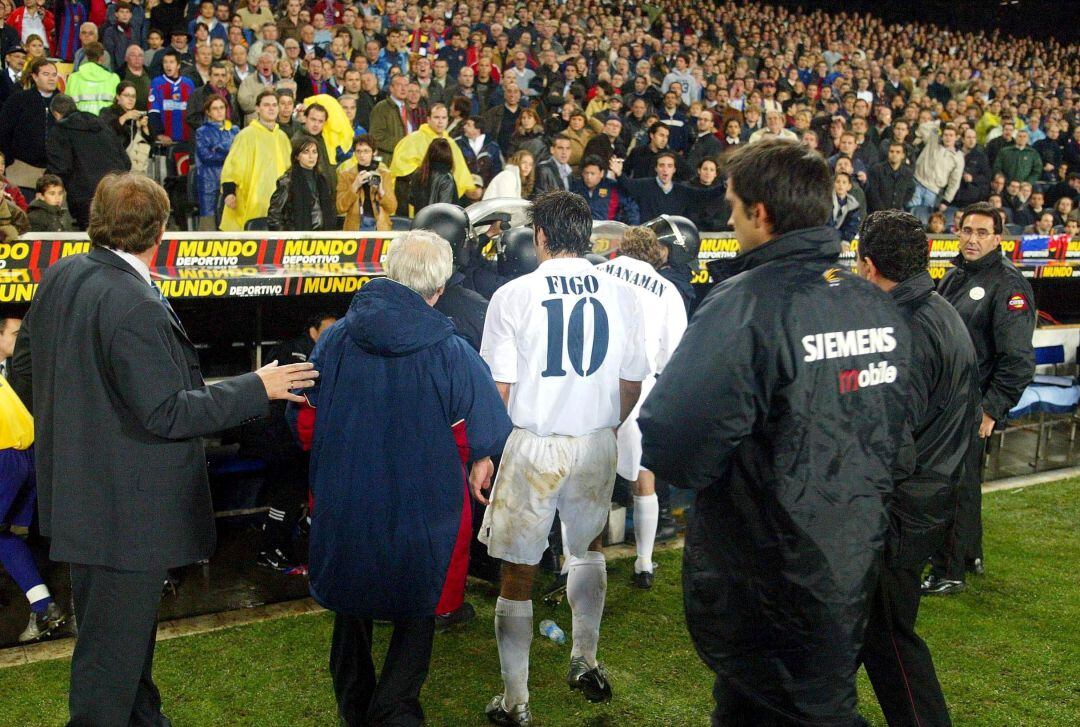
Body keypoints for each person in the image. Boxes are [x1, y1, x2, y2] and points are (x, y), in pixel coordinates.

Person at [10, 172, 317, 726]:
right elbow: (169, 411)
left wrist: (83, 427)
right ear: (161, 229)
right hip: (126, 516)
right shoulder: (133, 301)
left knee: (123, 658)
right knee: (108, 671)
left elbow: (26, 370)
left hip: (85, 505)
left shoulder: (60, 275)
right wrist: (257, 386)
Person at [639, 139, 911, 726]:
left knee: (803, 709)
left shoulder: (747, 303)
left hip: (770, 564)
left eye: (734, 208)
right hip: (852, 548)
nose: (729, 222)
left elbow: (672, 441)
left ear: (761, 214)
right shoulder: (874, 303)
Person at [306, 229, 511, 726]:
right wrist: (482, 457)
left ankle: (357, 709)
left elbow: (307, 416)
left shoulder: (334, 338)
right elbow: (489, 423)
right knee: (415, 608)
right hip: (421, 499)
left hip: (348, 492)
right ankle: (395, 711)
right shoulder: (450, 350)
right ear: (438, 289)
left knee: (350, 611)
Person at [478, 190, 649, 725]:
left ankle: (516, 701)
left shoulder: (513, 295)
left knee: (518, 569)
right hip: (596, 439)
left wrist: (486, 451)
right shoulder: (623, 295)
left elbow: (498, 389)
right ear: (588, 237)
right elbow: (631, 382)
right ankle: (585, 659)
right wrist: (604, 428)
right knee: (589, 549)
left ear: (542, 238)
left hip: (535, 442)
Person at [855, 209, 979, 727]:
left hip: (900, 512)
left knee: (887, 641)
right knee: (867, 638)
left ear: (866, 265)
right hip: (925, 502)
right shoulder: (939, 310)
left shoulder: (901, 329)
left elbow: (893, 444)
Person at [923, 202, 1036, 596]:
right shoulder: (954, 276)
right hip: (946, 404)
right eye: (967, 230)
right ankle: (969, 555)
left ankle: (947, 571)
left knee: (951, 487)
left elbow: (1018, 360)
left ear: (998, 238)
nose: (972, 239)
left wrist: (991, 409)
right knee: (964, 485)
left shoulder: (1009, 285)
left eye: (982, 232)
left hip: (972, 406)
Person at [596, 227, 686, 589]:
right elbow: (672, 354)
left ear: (622, 248)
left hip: (595, 382)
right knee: (642, 477)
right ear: (656, 254)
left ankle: (579, 562)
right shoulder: (666, 290)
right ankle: (644, 564)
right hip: (640, 384)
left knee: (590, 478)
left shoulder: (597, 272)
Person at [0, 316, 67, 643]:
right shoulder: (6, 373)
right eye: (15, 334)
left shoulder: (12, 371)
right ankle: (43, 606)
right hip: (24, 458)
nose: (21, 340)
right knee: (7, 535)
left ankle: (44, 607)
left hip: (11, 458)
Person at [46, 93, 131, 228]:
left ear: (56, 114)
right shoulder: (102, 126)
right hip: (116, 191)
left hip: (85, 199)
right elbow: (126, 162)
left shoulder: (60, 131)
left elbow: (61, 167)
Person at [219, 88, 291, 230]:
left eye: (274, 105)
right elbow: (233, 166)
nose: (271, 109)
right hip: (251, 199)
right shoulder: (246, 135)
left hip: (277, 203)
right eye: (266, 105)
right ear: (257, 108)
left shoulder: (282, 137)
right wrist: (229, 193)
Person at [0, 57, 58, 195]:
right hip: (21, 170)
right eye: (46, 74)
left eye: (54, 75)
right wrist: (9, 161)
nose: (51, 78)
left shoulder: (63, 102)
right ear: (35, 77)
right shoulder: (18, 100)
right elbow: (4, 132)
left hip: (54, 174)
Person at [267, 135, 338, 231]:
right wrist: (286, 238)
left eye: (314, 152)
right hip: (296, 239)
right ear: (297, 156)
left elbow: (331, 210)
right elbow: (274, 215)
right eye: (306, 152)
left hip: (323, 237)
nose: (311, 156)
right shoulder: (287, 181)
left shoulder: (322, 179)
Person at [194, 95, 238, 228]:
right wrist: (229, 155)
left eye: (222, 107)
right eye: (215, 108)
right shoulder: (202, 132)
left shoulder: (235, 130)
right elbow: (206, 156)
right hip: (209, 181)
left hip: (233, 180)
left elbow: (240, 155)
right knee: (209, 223)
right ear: (208, 112)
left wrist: (218, 149)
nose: (219, 111)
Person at [99, 81, 154, 174]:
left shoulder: (139, 115)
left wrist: (145, 128)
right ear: (118, 97)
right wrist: (125, 117)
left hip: (136, 168)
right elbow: (106, 133)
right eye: (126, 95)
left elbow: (151, 142)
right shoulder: (107, 112)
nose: (130, 99)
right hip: (114, 165)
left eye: (133, 96)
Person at [336, 133, 388, 231]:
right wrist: (355, 186)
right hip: (356, 225)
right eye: (358, 151)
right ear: (354, 153)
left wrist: (381, 190)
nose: (362, 155)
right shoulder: (346, 174)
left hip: (379, 225)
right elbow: (340, 207)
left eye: (366, 151)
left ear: (374, 152)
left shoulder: (384, 172)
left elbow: (391, 207)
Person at [148, 49, 196, 144]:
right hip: (165, 141)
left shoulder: (188, 83)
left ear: (178, 65)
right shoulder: (157, 83)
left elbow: (193, 111)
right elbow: (153, 111)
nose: (168, 65)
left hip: (187, 140)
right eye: (165, 62)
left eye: (171, 62)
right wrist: (159, 134)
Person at [65, 41, 120, 114]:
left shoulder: (73, 78)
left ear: (86, 56)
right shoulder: (113, 78)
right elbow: (119, 105)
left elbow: (66, 105)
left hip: (79, 123)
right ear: (102, 58)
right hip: (105, 123)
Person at [866, 142, 916, 213]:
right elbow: (873, 193)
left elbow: (911, 190)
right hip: (876, 213)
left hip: (896, 213)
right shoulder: (877, 170)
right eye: (891, 151)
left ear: (903, 155)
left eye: (898, 152)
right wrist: (883, 212)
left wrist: (901, 203)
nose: (894, 154)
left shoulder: (907, 173)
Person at [828, 171, 862, 241]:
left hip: (845, 240)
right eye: (838, 182)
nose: (840, 185)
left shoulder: (854, 205)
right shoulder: (827, 201)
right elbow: (828, 225)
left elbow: (852, 227)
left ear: (849, 186)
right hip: (828, 238)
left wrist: (846, 241)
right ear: (833, 184)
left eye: (844, 182)